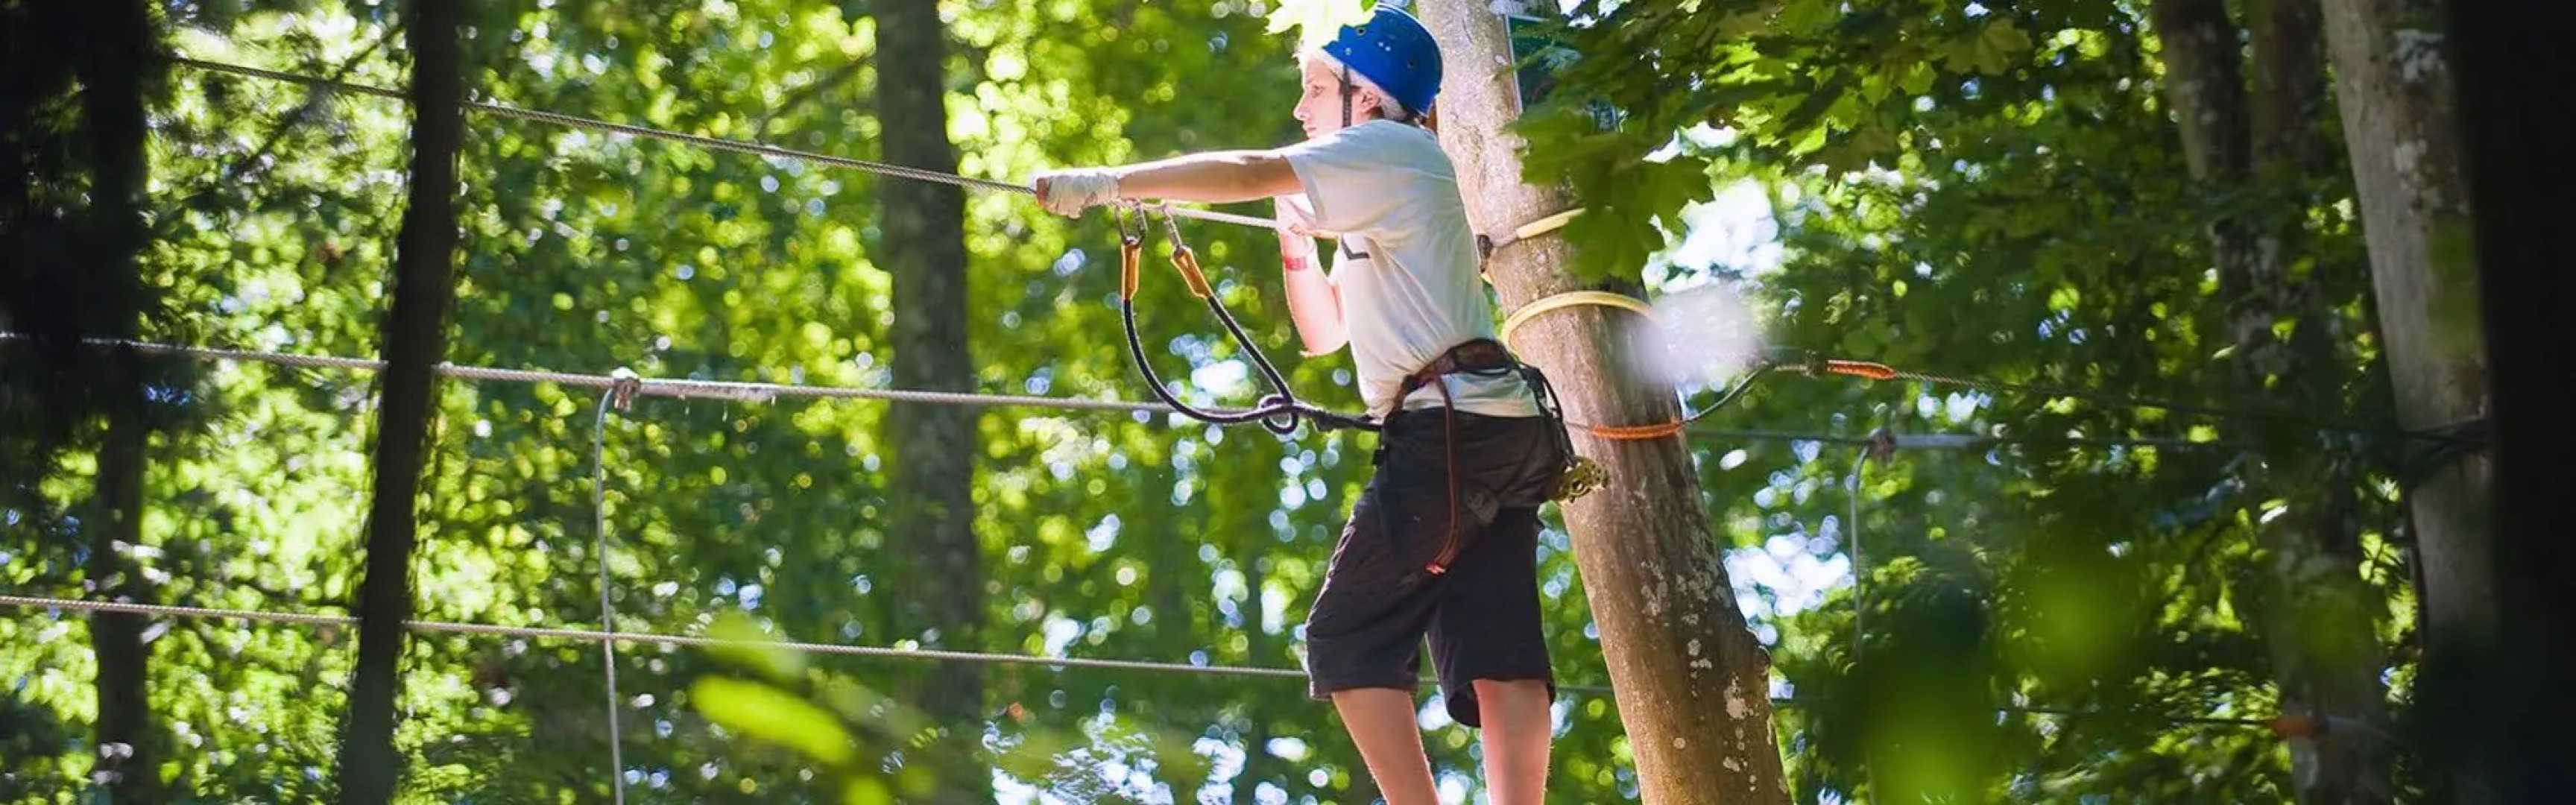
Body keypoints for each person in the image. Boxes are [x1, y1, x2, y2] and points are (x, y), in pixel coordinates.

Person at [1029, 5, 1569, 804]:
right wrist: (1295, 232)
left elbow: (1250, 169)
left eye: (1315, 88)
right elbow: (1322, 333)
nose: (1300, 109)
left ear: (1370, 98)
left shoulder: (1393, 149)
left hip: (1445, 432)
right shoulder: (1393, 187)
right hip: (1498, 430)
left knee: (1346, 637)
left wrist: (1112, 183)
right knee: (1499, 651)